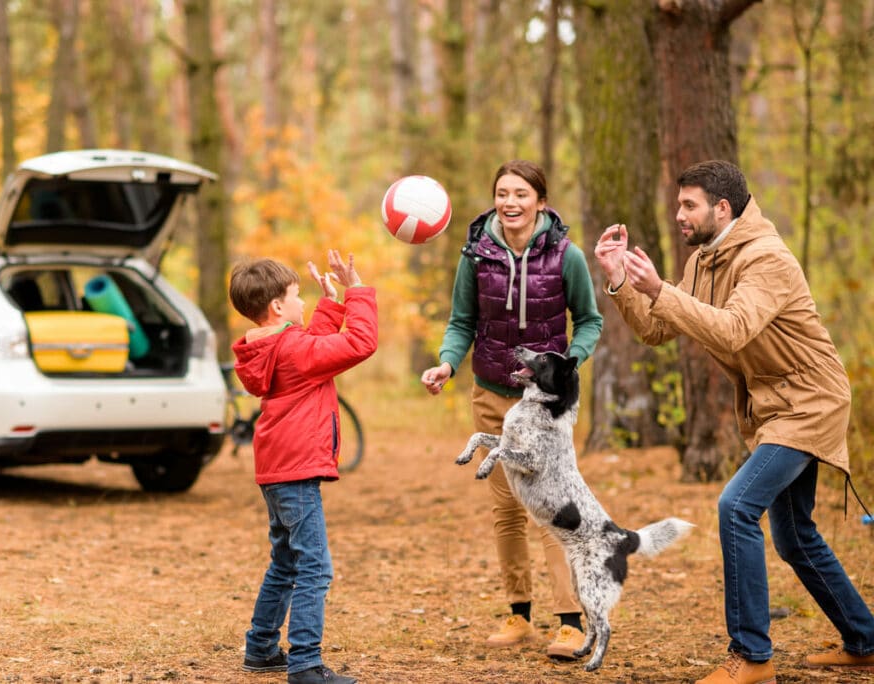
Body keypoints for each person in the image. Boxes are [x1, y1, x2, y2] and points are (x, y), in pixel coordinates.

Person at [594, 159, 874, 684]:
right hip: (775, 406)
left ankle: (752, 657)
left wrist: (660, 289)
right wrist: (620, 284)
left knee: (737, 505)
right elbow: (659, 329)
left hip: (809, 402)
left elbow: (733, 330)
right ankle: (865, 640)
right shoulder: (707, 259)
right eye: (679, 204)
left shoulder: (766, 258)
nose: (679, 214)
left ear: (722, 208)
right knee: (794, 537)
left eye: (688, 205)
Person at [422, 160, 603, 658]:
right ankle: (518, 614)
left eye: (521, 194)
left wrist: (570, 361)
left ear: (540, 202)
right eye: (502, 193)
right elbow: (461, 322)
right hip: (491, 393)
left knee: (548, 506)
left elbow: (589, 320)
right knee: (506, 509)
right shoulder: (476, 255)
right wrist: (446, 364)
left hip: (545, 403)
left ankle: (570, 621)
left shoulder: (568, 256)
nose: (510, 202)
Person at [229, 250, 377, 684]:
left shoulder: (270, 346)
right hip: (296, 471)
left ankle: (260, 648)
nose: (301, 303)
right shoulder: (291, 347)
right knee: (315, 566)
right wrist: (356, 293)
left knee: (286, 561)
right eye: (297, 297)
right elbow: (359, 344)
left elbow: (309, 350)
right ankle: (306, 664)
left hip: (275, 467)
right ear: (277, 307)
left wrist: (329, 305)